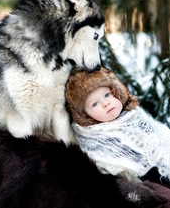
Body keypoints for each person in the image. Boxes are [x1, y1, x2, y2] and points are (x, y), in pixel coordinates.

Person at [65, 67, 170, 207]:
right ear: (84, 114)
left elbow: (161, 142)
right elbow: (104, 174)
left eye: (107, 95)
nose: (105, 103)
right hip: (139, 186)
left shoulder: (135, 116)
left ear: (117, 92)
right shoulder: (92, 138)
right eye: (95, 104)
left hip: (162, 171)